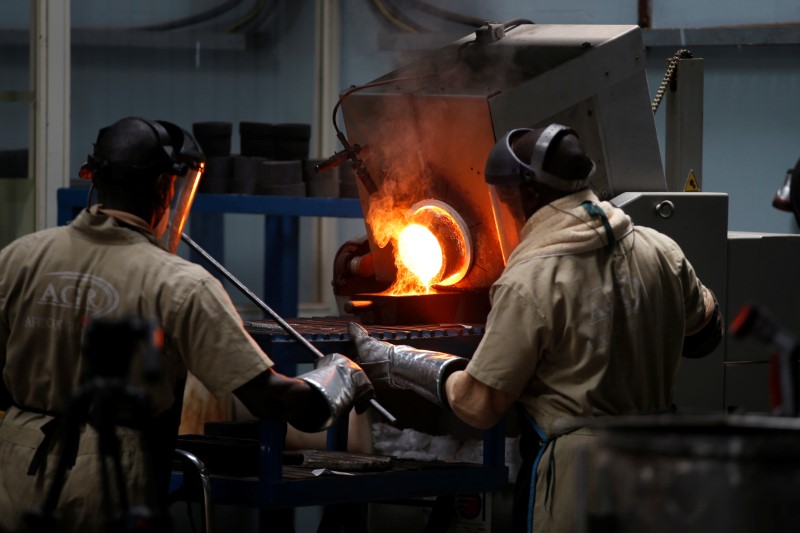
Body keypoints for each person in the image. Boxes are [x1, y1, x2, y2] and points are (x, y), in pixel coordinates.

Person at [0, 116, 374, 531]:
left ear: (96, 179)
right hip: (107, 488)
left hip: (16, 477)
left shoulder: (20, 258)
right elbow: (268, 399)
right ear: (166, 188)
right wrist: (337, 378)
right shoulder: (178, 284)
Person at [348, 123, 724, 533]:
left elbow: (478, 405)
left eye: (504, 196)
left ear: (528, 194)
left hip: (583, 482)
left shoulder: (530, 280)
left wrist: (393, 359)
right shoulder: (660, 249)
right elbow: (706, 335)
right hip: (659, 471)